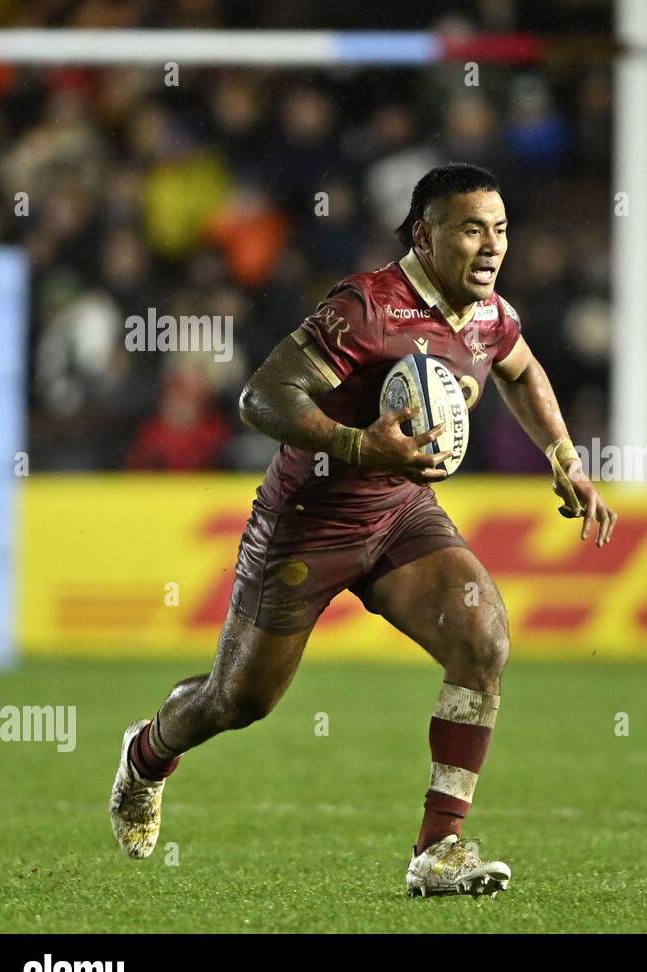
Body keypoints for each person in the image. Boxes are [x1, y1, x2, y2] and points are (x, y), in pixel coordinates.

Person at [109, 163, 618, 897]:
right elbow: (263, 396)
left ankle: (439, 848)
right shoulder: (366, 309)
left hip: (400, 515)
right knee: (238, 701)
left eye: (500, 230)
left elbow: (522, 368)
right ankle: (146, 755)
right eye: (471, 229)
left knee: (484, 639)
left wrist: (566, 458)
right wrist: (357, 445)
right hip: (307, 526)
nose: (490, 247)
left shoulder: (487, 315)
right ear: (425, 234)